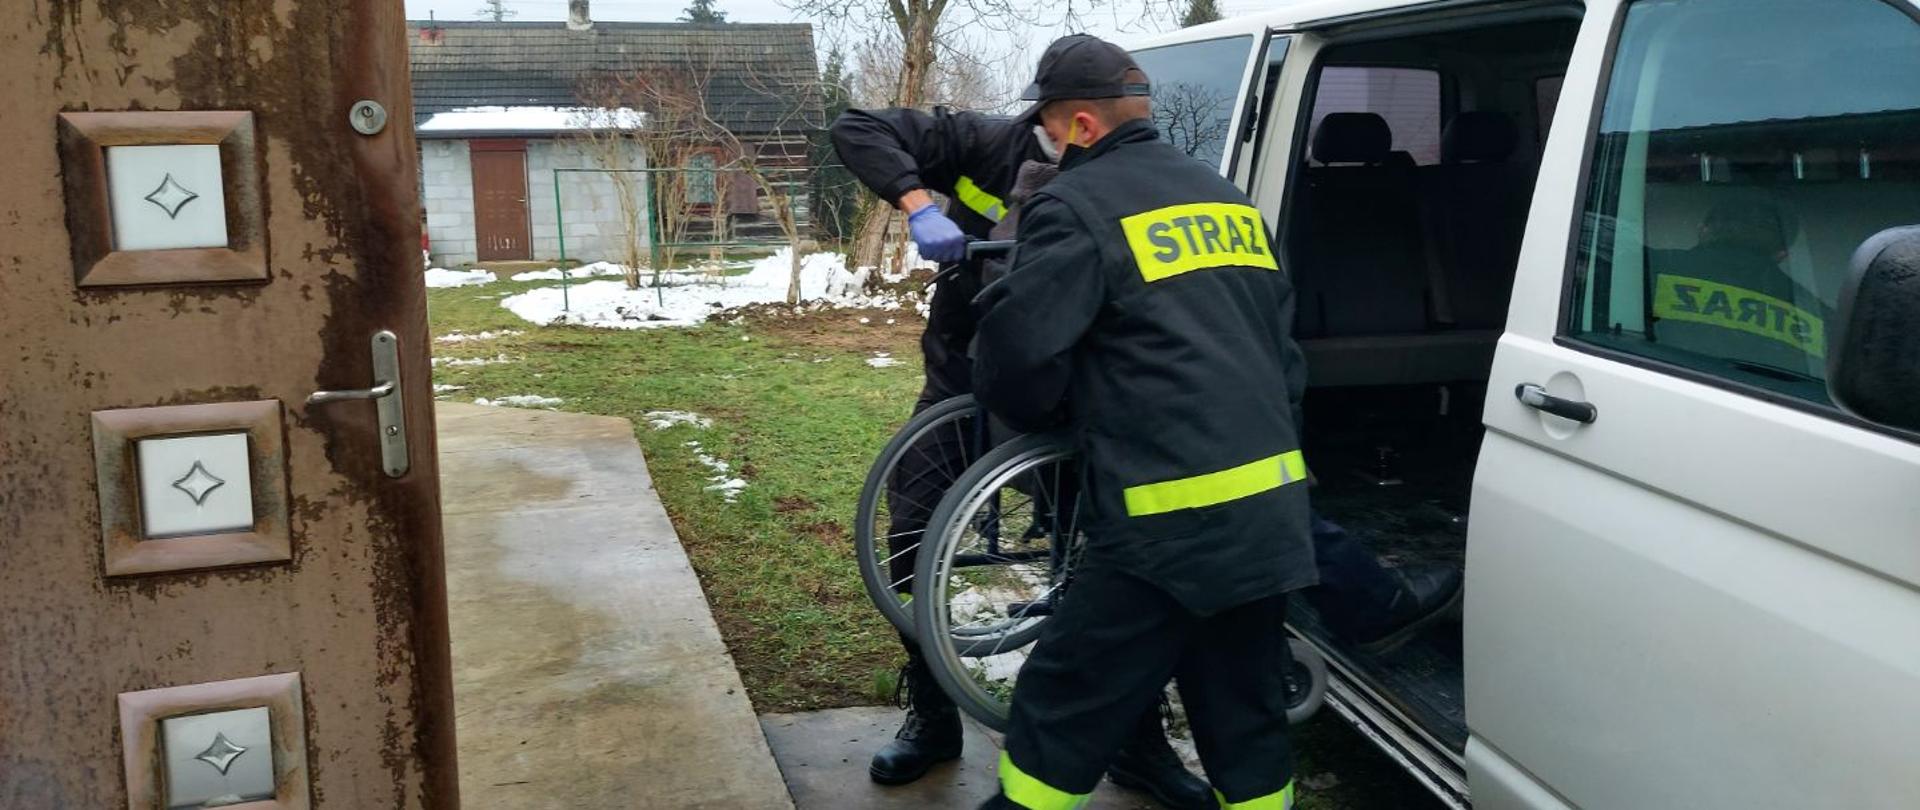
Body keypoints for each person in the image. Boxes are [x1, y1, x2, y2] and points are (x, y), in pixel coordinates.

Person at [832, 82, 1218, 810]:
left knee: (1107, 558)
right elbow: (857, 128)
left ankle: (1134, 736)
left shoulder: (1126, 173)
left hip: (1071, 387)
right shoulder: (985, 143)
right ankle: (933, 715)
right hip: (964, 375)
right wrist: (918, 205)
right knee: (914, 526)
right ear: (1057, 113)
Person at [968, 34, 1310, 808]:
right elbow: (1282, 356)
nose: (1046, 143)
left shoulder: (1075, 204)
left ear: (1083, 126)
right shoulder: (1225, 197)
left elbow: (1021, 360)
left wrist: (1043, 406)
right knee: (1244, 709)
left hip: (1164, 517)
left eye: (1050, 129)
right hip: (1268, 510)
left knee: (1064, 694)